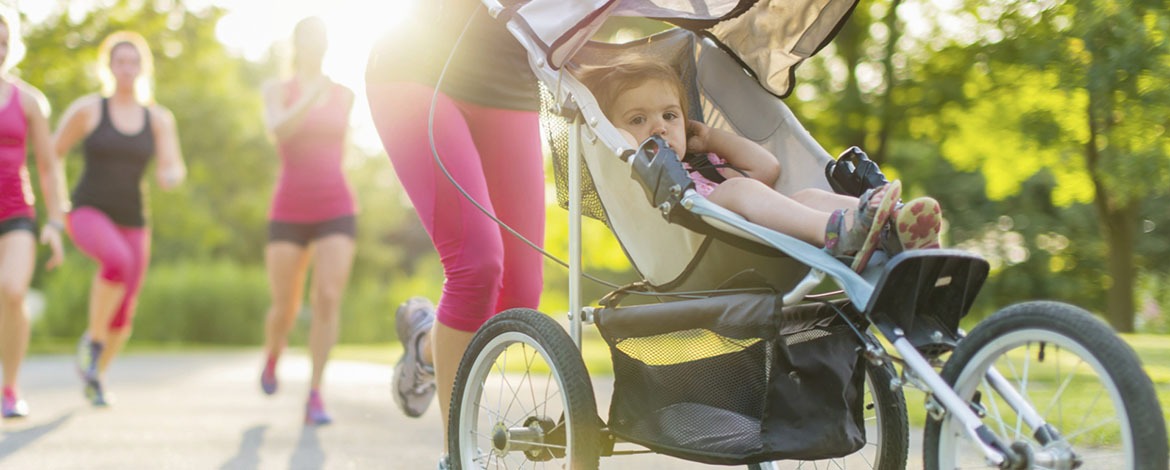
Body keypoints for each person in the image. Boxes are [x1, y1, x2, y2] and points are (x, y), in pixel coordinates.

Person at [365, 0, 545, 465]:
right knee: (476, 263)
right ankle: (457, 453)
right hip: (418, 65)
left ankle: (426, 346)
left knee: (520, 295)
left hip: (510, 79)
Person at [575, 56, 942, 268]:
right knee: (740, 188)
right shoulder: (638, 174)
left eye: (670, 116)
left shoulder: (704, 165)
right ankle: (839, 232)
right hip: (700, 244)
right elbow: (621, 144)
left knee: (807, 197)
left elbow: (768, 168)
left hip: (753, 235)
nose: (659, 127)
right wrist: (614, 131)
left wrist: (711, 138)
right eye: (638, 119)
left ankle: (893, 226)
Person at [53, 31, 186, 407]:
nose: (127, 68)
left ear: (142, 68)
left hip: (134, 219)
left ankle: (96, 376)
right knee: (117, 260)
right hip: (86, 210)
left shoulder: (158, 118)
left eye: (133, 62)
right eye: (120, 61)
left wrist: (171, 176)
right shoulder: (88, 109)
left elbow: (173, 165)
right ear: (109, 67)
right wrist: (57, 204)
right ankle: (93, 342)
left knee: (124, 312)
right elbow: (52, 153)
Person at [257, 16, 357, 426]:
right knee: (285, 306)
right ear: (296, 43)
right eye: (310, 37)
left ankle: (315, 393)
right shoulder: (277, 90)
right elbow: (277, 130)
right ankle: (273, 353)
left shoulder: (345, 94)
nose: (317, 43)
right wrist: (309, 97)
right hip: (289, 208)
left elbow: (342, 146)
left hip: (335, 204)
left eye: (322, 37)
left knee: (328, 297)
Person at [0, 8, 66, 419]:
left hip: (16, 212)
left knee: (12, 291)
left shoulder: (28, 101)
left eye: (4, 42)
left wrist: (56, 220)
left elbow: (48, 164)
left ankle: (10, 387)